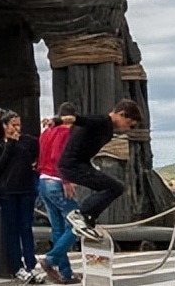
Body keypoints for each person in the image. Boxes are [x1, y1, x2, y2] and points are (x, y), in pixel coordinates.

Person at [57, 99, 143, 231]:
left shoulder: (108, 130)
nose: (127, 129)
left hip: (79, 164)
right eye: (128, 124)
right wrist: (57, 121)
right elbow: (80, 120)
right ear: (121, 114)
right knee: (116, 187)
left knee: (109, 188)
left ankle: (89, 217)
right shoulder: (102, 121)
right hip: (72, 166)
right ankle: (82, 213)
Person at [0, 108, 43, 284]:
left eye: (18, 125)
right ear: (5, 126)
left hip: (26, 189)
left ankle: (31, 264)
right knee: (12, 229)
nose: (17, 128)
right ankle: (17, 266)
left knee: (26, 227)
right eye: (13, 125)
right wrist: (10, 144)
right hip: (7, 192)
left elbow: (36, 152)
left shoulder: (27, 142)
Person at [36, 103, 82, 285]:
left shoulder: (46, 132)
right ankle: (51, 258)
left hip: (43, 180)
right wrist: (67, 180)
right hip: (56, 181)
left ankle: (66, 272)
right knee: (78, 222)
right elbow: (58, 156)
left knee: (57, 227)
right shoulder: (64, 132)